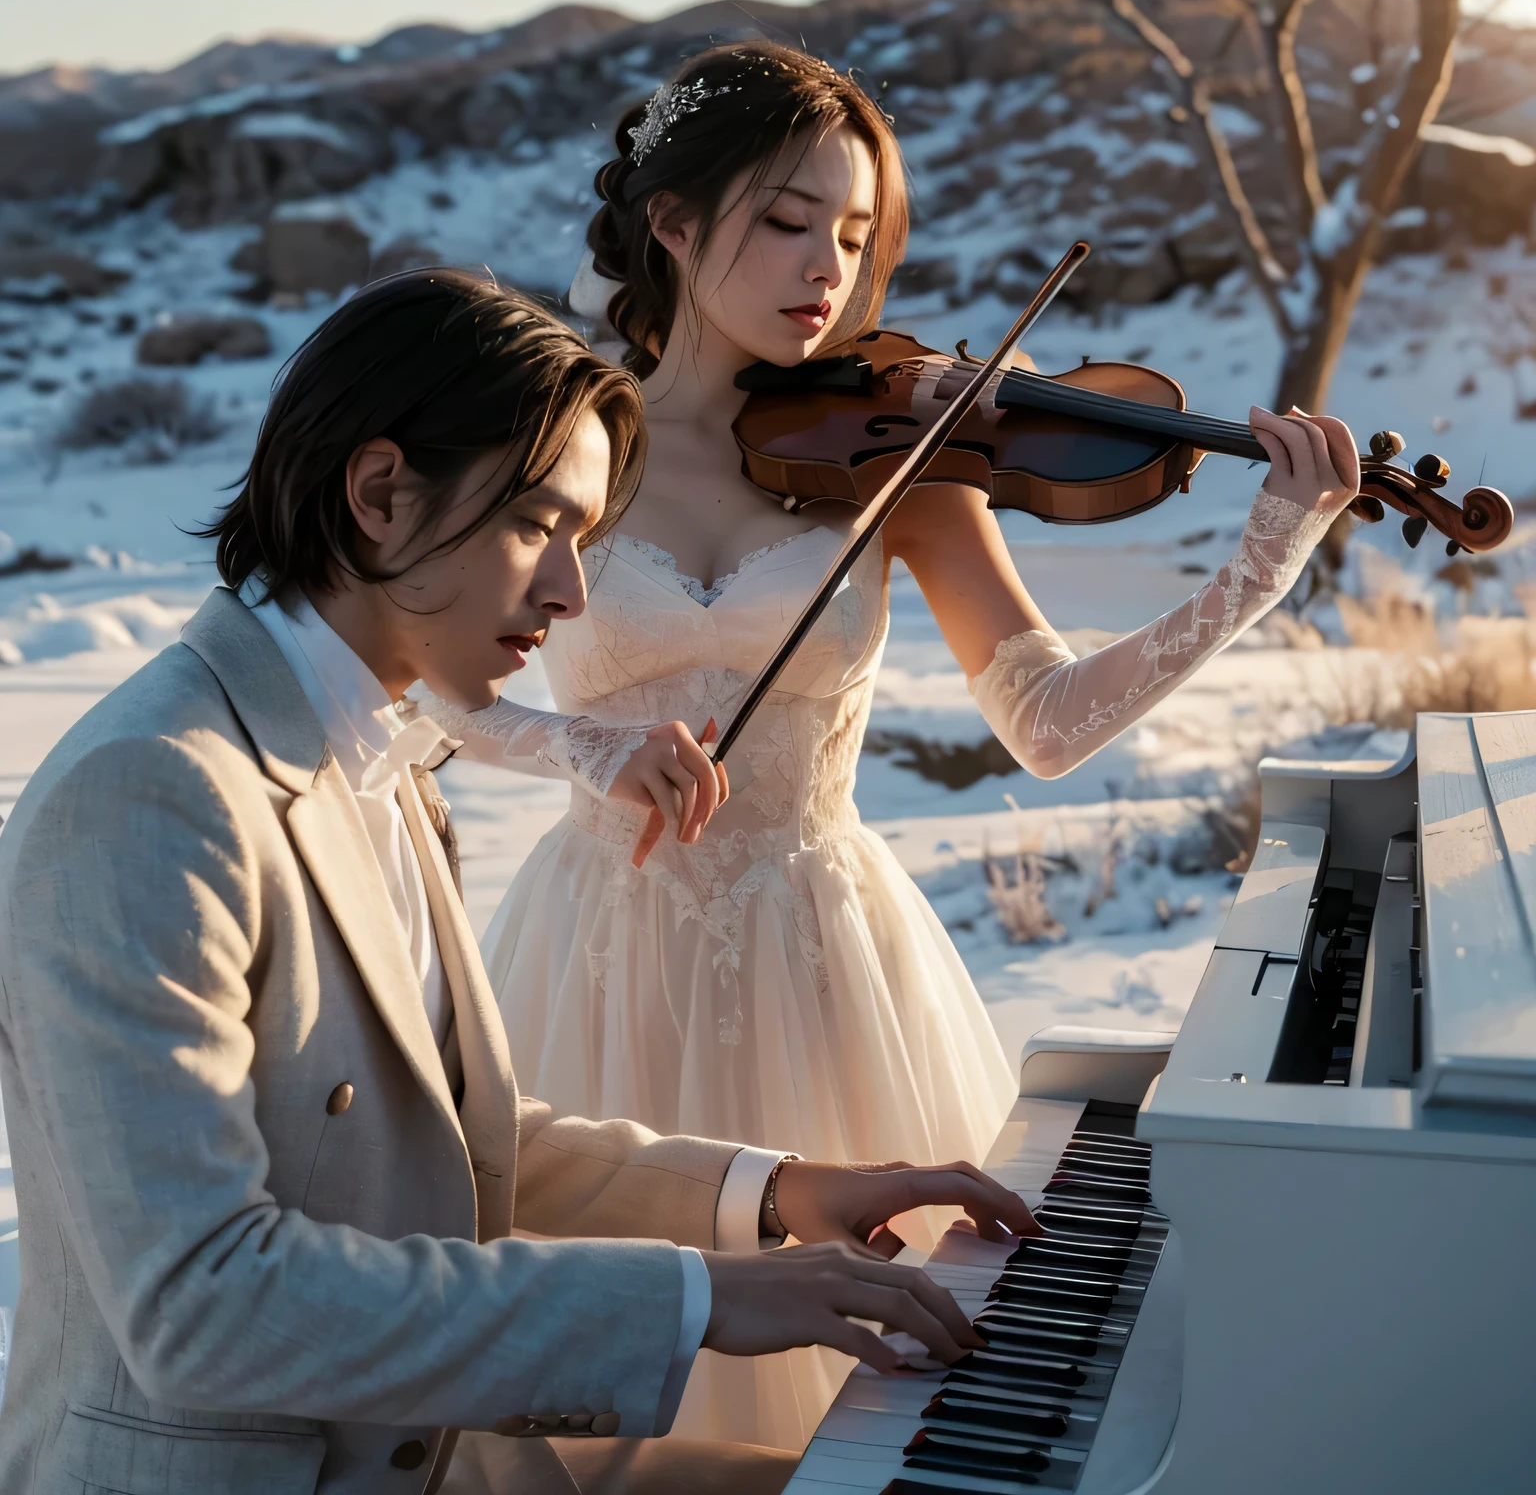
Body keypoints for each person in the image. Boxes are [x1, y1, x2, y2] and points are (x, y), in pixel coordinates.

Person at [418, 43, 1361, 1450]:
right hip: (594, 953)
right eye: (789, 221)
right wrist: (583, 752)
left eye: (857, 233)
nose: (831, 269)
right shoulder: (563, 435)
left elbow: (1043, 724)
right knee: (585, 1400)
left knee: (868, 1412)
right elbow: (434, 686)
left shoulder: (902, 453)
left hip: (824, 947)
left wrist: (1255, 572)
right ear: (672, 225)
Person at [0, 270, 1039, 1495]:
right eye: (539, 526)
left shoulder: (374, 745)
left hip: (436, 1449)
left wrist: (777, 1195)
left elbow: (438, 1138)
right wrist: (697, 1300)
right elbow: (201, 1308)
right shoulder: (152, 794)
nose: (573, 593)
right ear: (381, 493)